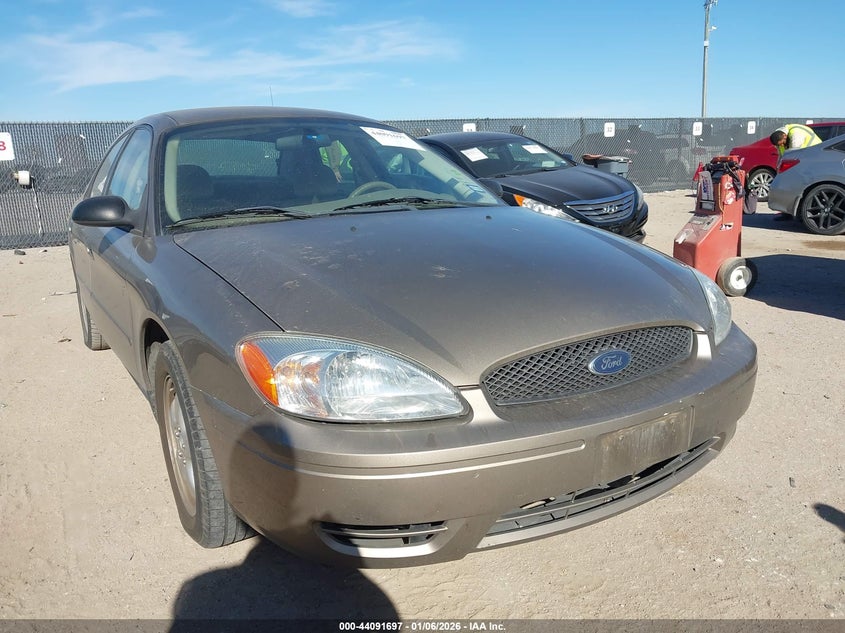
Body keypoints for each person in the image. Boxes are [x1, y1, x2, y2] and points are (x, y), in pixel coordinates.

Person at [769, 124, 822, 220]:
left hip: (814, 158)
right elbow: (782, 156)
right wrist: (779, 170)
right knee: (787, 186)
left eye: (782, 143)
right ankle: (786, 212)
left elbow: (794, 154)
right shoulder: (779, 137)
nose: (781, 145)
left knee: (801, 186)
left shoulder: (796, 134)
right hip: (804, 160)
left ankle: (806, 212)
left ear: (785, 136)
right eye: (779, 144)